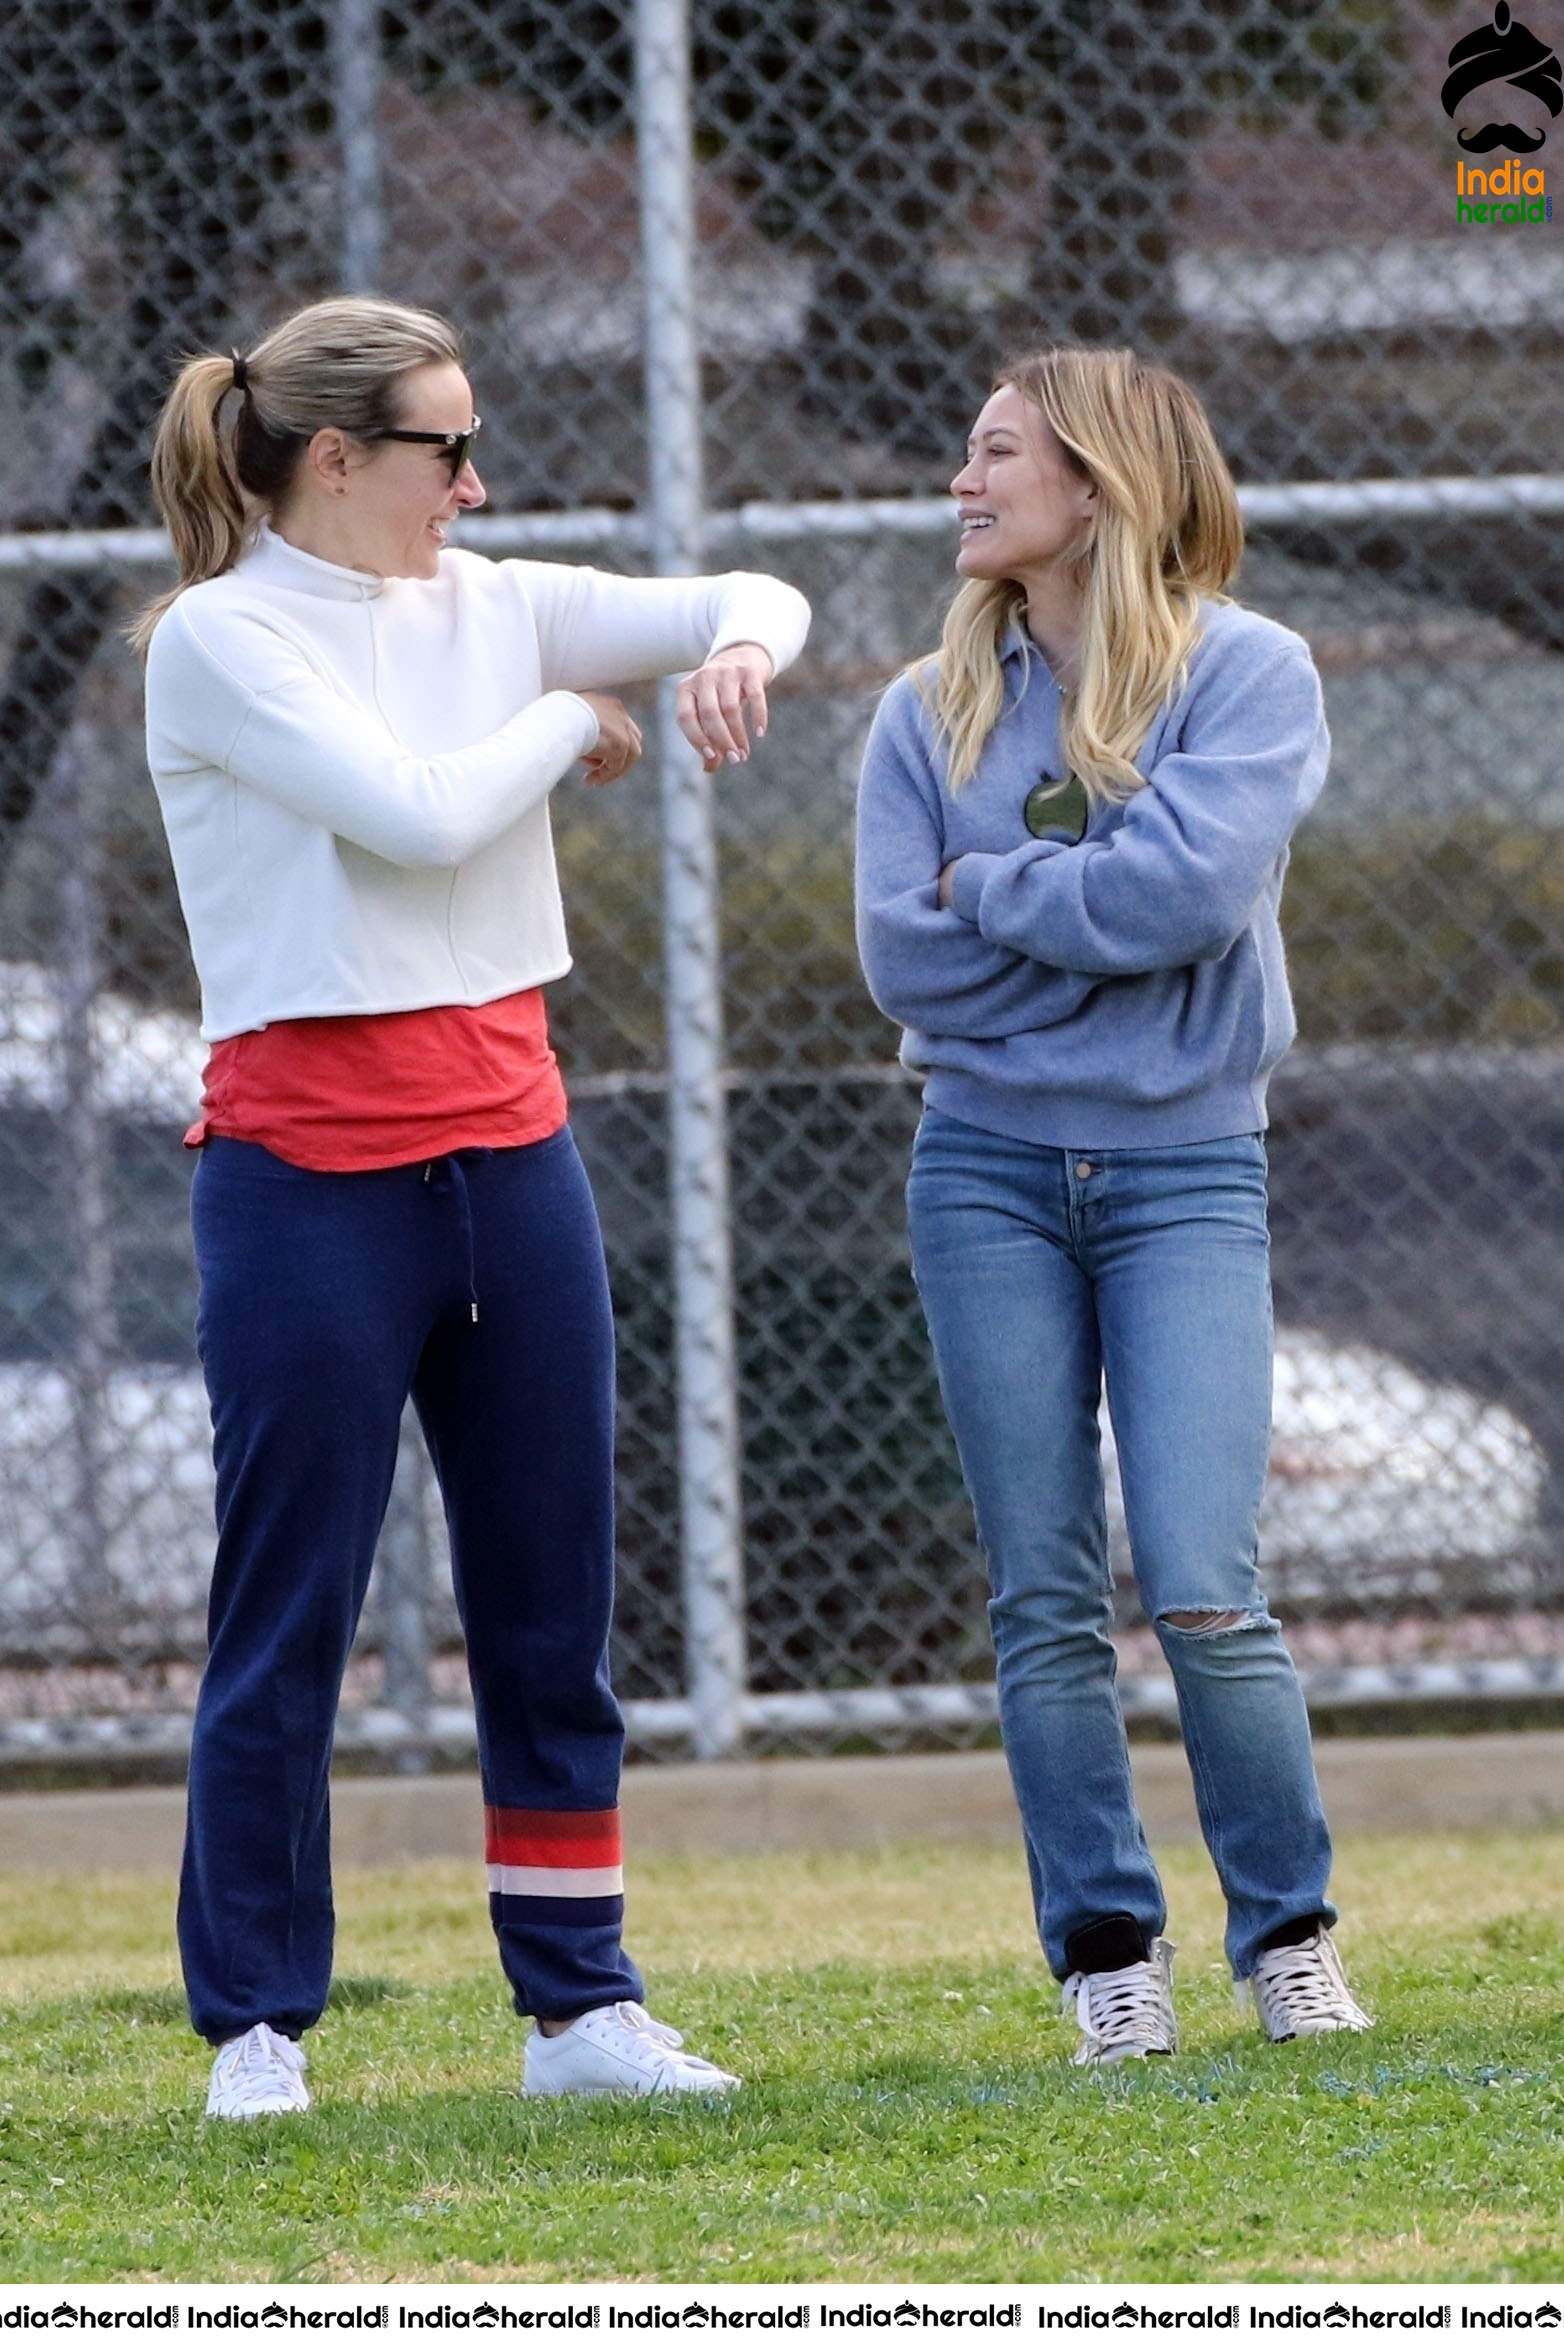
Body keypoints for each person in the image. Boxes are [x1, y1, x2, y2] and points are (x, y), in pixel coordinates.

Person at [134, 295, 810, 2118]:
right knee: (290, 1615)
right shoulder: (215, 639)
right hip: (302, 1184)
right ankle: (258, 2025)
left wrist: (731, 649)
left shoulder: (490, 596)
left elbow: (750, 593)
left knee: (549, 1605)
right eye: (447, 448)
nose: (478, 480)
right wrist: (577, 723)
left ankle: (579, 2009)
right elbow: (415, 819)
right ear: (338, 461)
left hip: (511, 1163)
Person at [855, 347, 1371, 2067]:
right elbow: (897, 958)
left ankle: (1287, 1936)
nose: (962, 480)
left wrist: (1001, 888)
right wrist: (1102, 935)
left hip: (1188, 1177)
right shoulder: (918, 714)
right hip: (981, 1170)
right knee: (1046, 1597)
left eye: (996, 452)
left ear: (1096, 482)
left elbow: (1193, 889)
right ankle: (1106, 1959)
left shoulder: (1251, 675)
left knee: (1210, 1585)